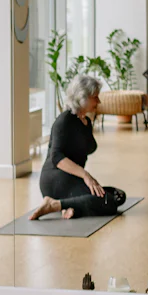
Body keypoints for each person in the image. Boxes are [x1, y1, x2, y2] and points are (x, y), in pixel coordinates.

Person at [30, 74, 127, 220]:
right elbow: (56, 158)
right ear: (83, 97)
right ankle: (53, 204)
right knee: (109, 203)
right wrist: (86, 176)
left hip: (73, 178)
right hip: (55, 179)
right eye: (95, 97)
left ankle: (70, 206)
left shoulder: (85, 121)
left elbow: (90, 147)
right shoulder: (63, 121)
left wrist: (88, 124)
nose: (98, 101)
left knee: (119, 196)